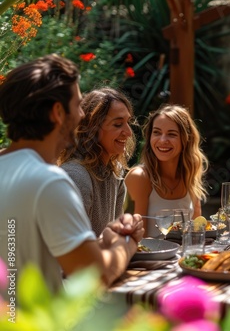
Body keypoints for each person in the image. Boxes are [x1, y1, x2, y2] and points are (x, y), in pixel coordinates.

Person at [0, 54, 144, 296]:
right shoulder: (49, 181)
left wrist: (105, 241)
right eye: (78, 105)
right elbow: (96, 276)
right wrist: (126, 244)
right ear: (58, 112)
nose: (82, 116)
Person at [58, 87, 136, 236]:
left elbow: (115, 237)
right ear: (91, 128)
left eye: (128, 122)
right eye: (118, 124)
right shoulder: (76, 176)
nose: (128, 132)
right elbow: (75, 249)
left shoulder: (115, 173)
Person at [125, 105, 208, 237]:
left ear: (186, 139)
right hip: (149, 257)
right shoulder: (140, 177)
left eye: (171, 134)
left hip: (184, 256)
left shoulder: (189, 175)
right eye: (157, 132)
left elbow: (197, 232)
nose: (163, 140)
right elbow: (138, 240)